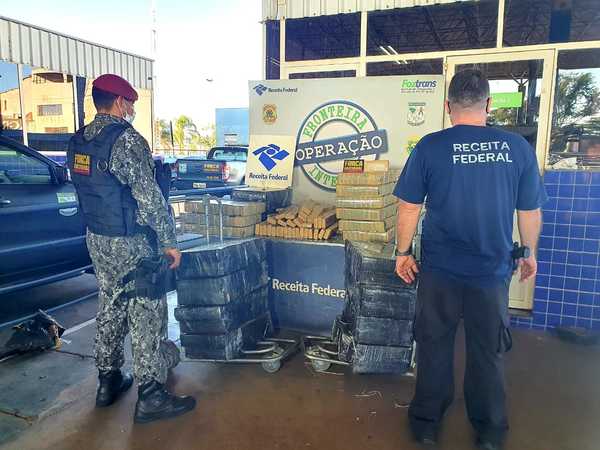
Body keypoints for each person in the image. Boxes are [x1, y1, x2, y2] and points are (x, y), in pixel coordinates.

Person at [393, 69, 546, 450]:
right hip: (491, 272)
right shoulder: (517, 148)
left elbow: (409, 207)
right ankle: (490, 432)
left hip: (440, 271)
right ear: (489, 105)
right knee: (488, 350)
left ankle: (426, 424)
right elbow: (529, 210)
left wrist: (402, 252)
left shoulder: (430, 147)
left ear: (448, 107)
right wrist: (528, 252)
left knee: (434, 345)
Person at [67, 74, 196, 424]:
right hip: (131, 241)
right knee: (146, 310)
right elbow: (150, 198)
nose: (133, 109)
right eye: (132, 103)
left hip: (97, 237)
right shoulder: (126, 141)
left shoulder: (78, 140)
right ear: (121, 102)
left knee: (109, 303)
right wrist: (170, 241)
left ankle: (108, 382)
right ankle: (151, 394)